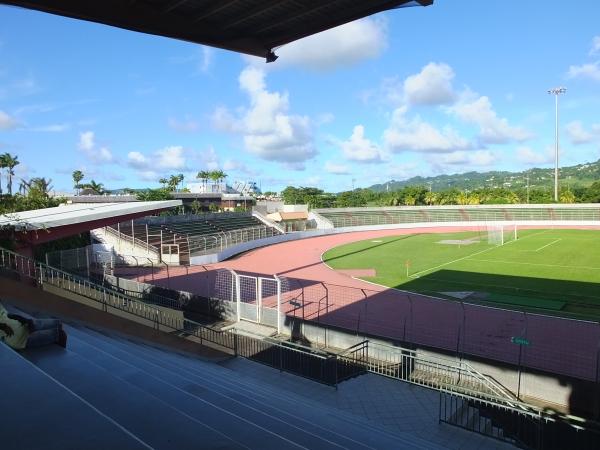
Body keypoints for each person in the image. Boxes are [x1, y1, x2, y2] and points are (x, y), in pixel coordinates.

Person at [0, 301, 67, 350]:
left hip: (22, 324)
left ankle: (32, 324)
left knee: (57, 324)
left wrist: (19, 318)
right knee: (59, 334)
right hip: (21, 339)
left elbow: (5, 314)